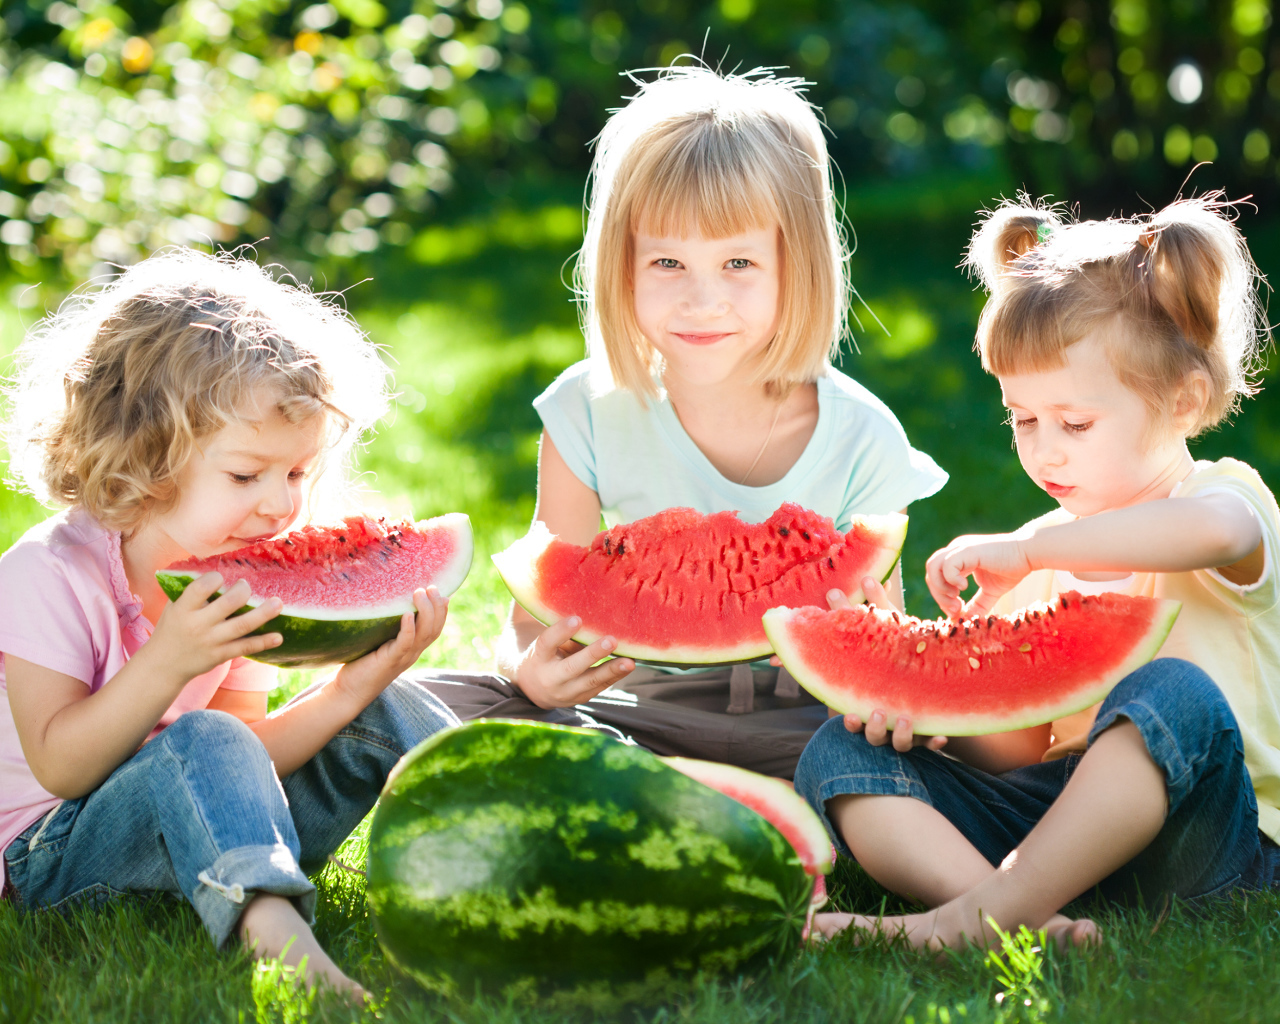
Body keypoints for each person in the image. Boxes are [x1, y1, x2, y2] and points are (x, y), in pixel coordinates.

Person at [417, 66, 946, 778]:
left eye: (738, 262)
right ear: (619, 264)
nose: (703, 301)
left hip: (809, 731)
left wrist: (888, 690)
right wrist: (531, 672)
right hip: (629, 715)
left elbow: (878, 637)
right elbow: (532, 624)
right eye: (667, 260)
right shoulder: (585, 412)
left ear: (800, 266)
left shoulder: (863, 438)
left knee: (929, 749)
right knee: (420, 704)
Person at [795, 195, 1280, 949]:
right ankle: (1021, 917)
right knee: (836, 753)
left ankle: (966, 921)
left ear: (1183, 403)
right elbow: (1020, 746)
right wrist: (930, 714)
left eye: (1075, 423)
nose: (1043, 450)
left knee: (1174, 696)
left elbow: (1214, 533)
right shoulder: (1043, 547)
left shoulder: (1223, 497)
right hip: (1059, 832)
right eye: (1022, 419)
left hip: (1215, 835)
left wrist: (1031, 552)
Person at [0, 250, 460, 996]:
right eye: (247, 476)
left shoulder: (241, 570)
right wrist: (170, 660)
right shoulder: (44, 576)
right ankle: (281, 943)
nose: (280, 505)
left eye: (297, 473)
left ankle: (525, 844)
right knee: (202, 737)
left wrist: (351, 692)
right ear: (145, 458)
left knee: (388, 703)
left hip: (216, 833)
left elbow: (245, 759)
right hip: (54, 855)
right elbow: (62, 767)